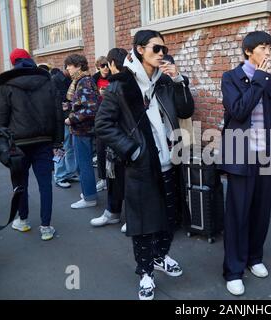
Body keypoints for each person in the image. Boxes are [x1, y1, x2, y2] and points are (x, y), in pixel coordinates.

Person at [95, 30, 194, 300]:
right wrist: (133, 151)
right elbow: (103, 125)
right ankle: (146, 273)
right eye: (156, 48)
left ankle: (161, 257)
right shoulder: (121, 85)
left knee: (170, 219)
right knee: (143, 224)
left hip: (169, 162)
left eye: (164, 48)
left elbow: (186, 110)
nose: (162, 53)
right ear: (140, 49)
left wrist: (179, 80)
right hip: (141, 165)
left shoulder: (164, 83)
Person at [218, 31, 271, 296]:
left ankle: (254, 258)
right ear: (248, 51)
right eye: (263, 47)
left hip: (265, 154)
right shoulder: (231, 78)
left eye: (270, 47)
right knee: (238, 213)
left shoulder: (268, 79)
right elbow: (238, 111)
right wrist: (257, 80)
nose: (268, 52)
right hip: (239, 152)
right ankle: (233, 270)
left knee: (260, 211)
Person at [0, 48, 64, 240]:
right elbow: (58, 114)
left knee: (20, 183)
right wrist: (58, 141)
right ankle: (46, 226)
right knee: (45, 184)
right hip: (44, 142)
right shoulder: (47, 81)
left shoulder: (5, 85)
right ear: (30, 60)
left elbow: (1, 120)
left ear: (13, 63)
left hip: (17, 144)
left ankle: (24, 220)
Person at [90, 48, 128, 229]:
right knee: (114, 179)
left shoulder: (121, 85)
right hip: (117, 143)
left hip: (123, 142)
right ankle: (112, 212)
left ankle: (129, 218)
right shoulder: (120, 84)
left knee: (128, 181)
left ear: (113, 64)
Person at [64, 54, 100, 209]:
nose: (67, 69)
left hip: (82, 129)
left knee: (83, 164)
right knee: (83, 164)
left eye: (69, 66)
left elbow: (91, 108)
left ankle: (89, 197)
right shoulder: (83, 80)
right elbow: (84, 104)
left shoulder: (83, 81)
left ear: (78, 65)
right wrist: (69, 107)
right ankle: (88, 192)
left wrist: (70, 119)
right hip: (83, 129)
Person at [52, 66, 79, 188]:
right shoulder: (55, 80)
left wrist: (68, 105)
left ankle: (70, 173)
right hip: (59, 120)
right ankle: (59, 176)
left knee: (70, 147)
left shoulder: (71, 80)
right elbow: (56, 101)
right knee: (60, 148)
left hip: (68, 119)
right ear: (68, 67)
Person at [92, 56, 111, 193]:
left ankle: (112, 179)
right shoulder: (94, 79)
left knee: (112, 151)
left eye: (107, 65)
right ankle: (103, 179)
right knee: (100, 150)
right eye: (103, 65)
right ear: (98, 67)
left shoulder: (114, 77)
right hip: (99, 117)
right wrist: (98, 95)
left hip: (112, 117)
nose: (105, 68)